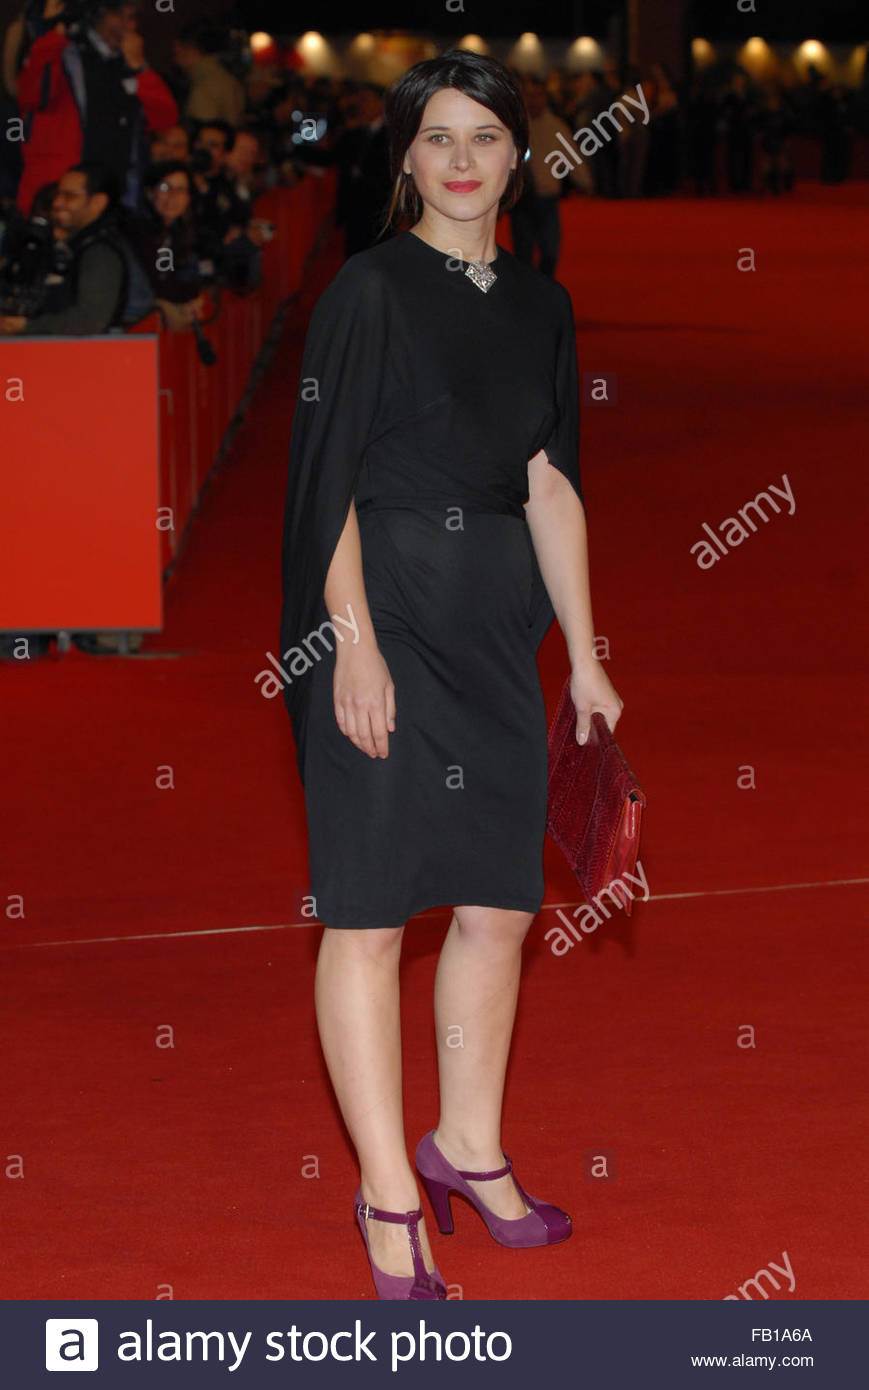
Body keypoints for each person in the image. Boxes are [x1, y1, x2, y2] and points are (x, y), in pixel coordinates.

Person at [279, 48, 623, 1300]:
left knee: (497, 904)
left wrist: (583, 657)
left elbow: (548, 484)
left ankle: (465, 1146)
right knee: (369, 915)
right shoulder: (366, 292)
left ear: (517, 156)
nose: (462, 160)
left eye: (484, 136)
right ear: (406, 159)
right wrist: (351, 644)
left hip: (489, 633)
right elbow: (326, 480)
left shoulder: (540, 304)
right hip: (378, 616)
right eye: (437, 137)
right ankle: (386, 1194)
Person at [14, 0, 177, 215]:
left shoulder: (128, 65)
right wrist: (54, 33)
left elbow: (165, 117)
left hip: (114, 196)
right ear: (95, 14)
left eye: (132, 18)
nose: (125, 26)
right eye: (117, 15)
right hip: (60, 195)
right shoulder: (62, 51)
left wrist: (140, 68)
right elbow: (32, 97)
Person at [0, 161, 126, 335]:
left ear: (97, 202)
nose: (57, 203)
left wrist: (26, 326)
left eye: (69, 196)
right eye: (58, 195)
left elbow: (90, 321)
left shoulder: (100, 253)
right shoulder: (73, 246)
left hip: (83, 351)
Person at [509, 75, 591, 278]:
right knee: (523, 256)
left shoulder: (556, 126)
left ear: (545, 98)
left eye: (538, 95)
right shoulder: (514, 127)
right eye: (530, 95)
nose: (534, 100)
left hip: (548, 200)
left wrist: (584, 181)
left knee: (550, 253)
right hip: (522, 200)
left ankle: (546, 291)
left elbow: (571, 156)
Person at [172, 18, 244, 129]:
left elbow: (204, 132)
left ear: (190, 48)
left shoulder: (205, 86)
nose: (175, 51)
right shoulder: (227, 78)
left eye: (178, 47)